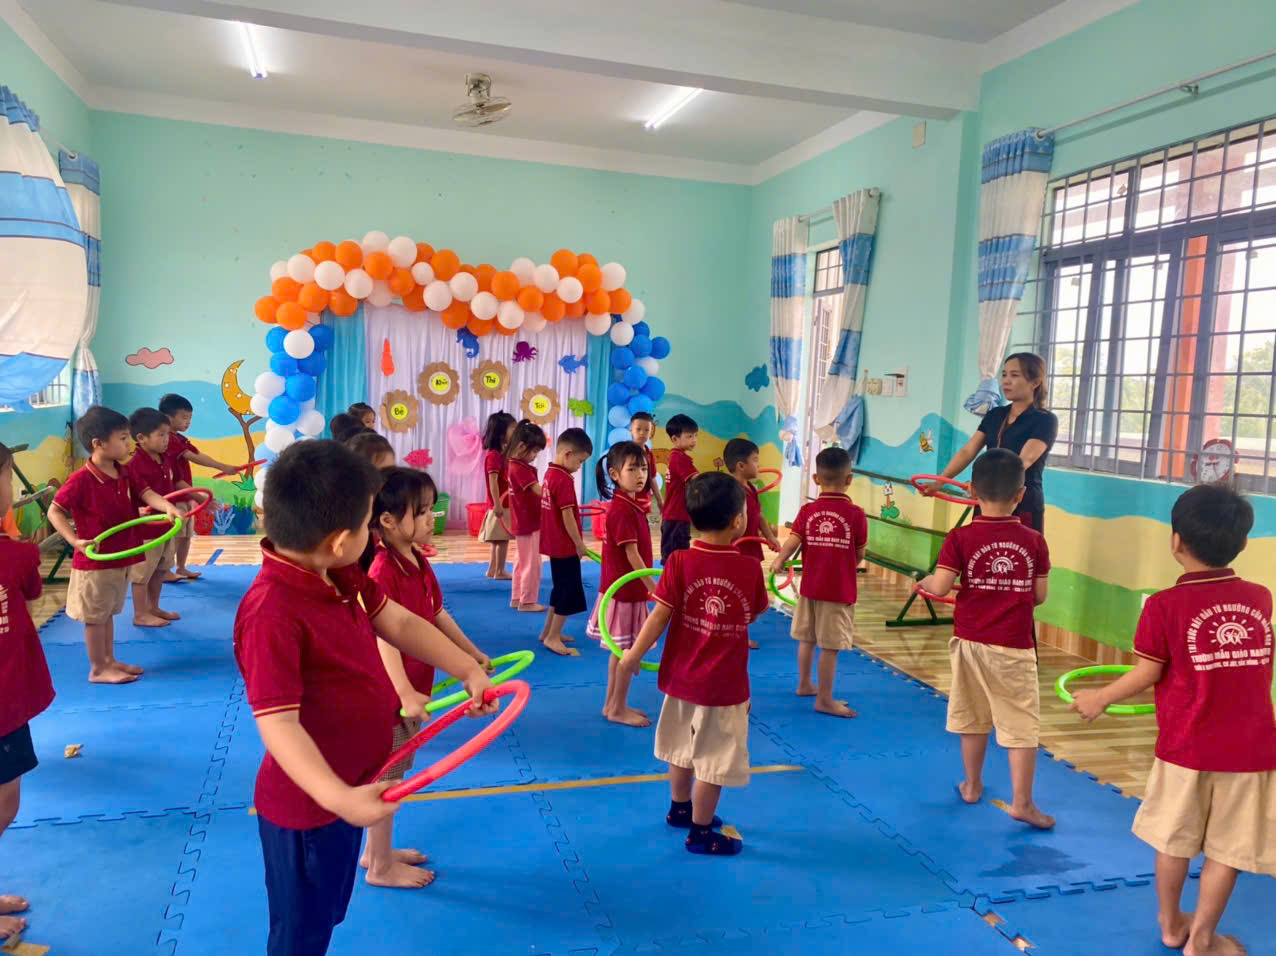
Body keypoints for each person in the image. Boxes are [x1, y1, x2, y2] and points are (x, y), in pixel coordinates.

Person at [233, 440, 495, 956]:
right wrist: (338, 797)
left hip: (353, 787)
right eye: (366, 524)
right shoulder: (271, 613)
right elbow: (278, 724)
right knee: (302, 932)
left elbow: (399, 622)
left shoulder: (339, 573)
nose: (372, 533)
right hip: (310, 809)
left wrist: (466, 667)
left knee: (328, 913)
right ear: (339, 540)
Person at [1069, 485, 1274, 956]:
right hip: (1251, 748)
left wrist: (1100, 698)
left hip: (1186, 747)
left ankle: (1170, 923)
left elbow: (1147, 672)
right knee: (1227, 849)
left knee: (1175, 840)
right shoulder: (1260, 598)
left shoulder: (1163, 606)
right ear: (1243, 543)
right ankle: (1201, 938)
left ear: (1175, 541)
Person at [622, 473, 768, 857]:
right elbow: (753, 613)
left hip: (680, 679)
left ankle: (680, 809)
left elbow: (659, 616)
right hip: (723, 687)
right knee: (713, 761)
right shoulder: (749, 568)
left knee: (681, 748)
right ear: (738, 520)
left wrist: (634, 654)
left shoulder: (678, 561)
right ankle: (701, 833)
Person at [364, 467, 492, 890]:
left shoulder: (417, 560)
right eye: (420, 512)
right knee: (388, 780)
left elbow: (436, 613)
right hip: (390, 697)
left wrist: (470, 655)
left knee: (393, 776)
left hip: (414, 689)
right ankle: (379, 865)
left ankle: (376, 851)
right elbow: (384, 636)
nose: (430, 518)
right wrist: (403, 692)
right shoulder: (382, 571)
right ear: (387, 521)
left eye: (430, 509)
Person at [917, 449, 1053, 829]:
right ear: (1021, 494)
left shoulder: (960, 537)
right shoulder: (1034, 540)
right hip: (1014, 646)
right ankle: (1022, 802)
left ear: (972, 491)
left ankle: (972, 785)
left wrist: (924, 582)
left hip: (969, 642)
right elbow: (1039, 596)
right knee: (1020, 725)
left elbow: (940, 586)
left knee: (972, 717)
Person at [48, 406, 183, 685]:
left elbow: (146, 493)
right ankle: (98, 668)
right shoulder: (82, 479)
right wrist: (74, 540)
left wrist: (167, 506)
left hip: (120, 557)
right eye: (122, 438)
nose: (128, 444)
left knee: (108, 614)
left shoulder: (123, 472)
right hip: (95, 562)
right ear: (99, 443)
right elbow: (55, 510)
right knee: (96, 618)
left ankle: (108, 660)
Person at [0, 442, 55, 943]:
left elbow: (32, 591)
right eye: (7, 478)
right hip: (3, 705)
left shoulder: (15, 553)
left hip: (7, 702)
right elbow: (33, 594)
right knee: (3, 806)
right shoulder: (17, 554)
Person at [769, 446, 867, 718]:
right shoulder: (856, 514)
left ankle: (804, 684)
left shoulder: (808, 510)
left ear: (815, 479)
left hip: (810, 587)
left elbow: (793, 541)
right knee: (830, 646)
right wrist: (845, 565)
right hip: (838, 590)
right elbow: (859, 554)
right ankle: (824, 699)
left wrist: (779, 560)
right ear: (849, 479)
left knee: (807, 638)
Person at [922, 354, 1057, 533]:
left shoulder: (1045, 420)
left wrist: (983, 483)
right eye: (1004, 374)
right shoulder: (995, 415)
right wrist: (940, 481)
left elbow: (1023, 461)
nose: (1006, 381)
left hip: (1023, 504)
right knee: (982, 547)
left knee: (1017, 550)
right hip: (986, 503)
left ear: (1035, 382)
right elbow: (968, 451)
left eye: (1015, 375)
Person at [587, 442, 656, 728]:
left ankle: (613, 705)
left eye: (643, 468)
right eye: (632, 469)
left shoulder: (630, 504)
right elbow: (632, 555)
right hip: (625, 593)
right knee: (627, 654)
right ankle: (616, 708)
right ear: (615, 474)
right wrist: (654, 587)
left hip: (628, 592)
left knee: (621, 653)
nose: (640, 474)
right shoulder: (622, 510)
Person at [158, 393, 239, 581]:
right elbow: (191, 461)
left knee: (186, 535)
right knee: (173, 535)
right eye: (184, 417)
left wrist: (223, 467)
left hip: (185, 495)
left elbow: (198, 455)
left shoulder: (180, 439)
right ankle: (165, 570)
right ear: (169, 417)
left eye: (190, 418)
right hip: (174, 498)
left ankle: (181, 567)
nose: (188, 422)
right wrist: (222, 467)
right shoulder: (170, 441)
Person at [538, 428, 593, 658]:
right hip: (564, 546)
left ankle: (548, 632)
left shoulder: (550, 473)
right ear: (568, 454)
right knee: (569, 591)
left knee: (560, 588)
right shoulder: (563, 480)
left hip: (554, 544)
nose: (579, 467)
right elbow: (568, 516)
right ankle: (552, 637)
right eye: (580, 461)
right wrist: (579, 544)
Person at [126, 408, 182, 628]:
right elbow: (146, 495)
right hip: (146, 531)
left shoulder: (164, 458)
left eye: (167, 434)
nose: (166, 439)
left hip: (166, 526)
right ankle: (140, 614)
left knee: (160, 570)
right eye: (161, 435)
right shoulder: (134, 465)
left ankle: (153, 607)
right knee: (142, 574)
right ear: (141, 438)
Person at [724, 438, 781, 648]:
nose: (758, 465)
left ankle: (740, 628)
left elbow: (760, 515)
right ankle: (737, 634)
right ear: (741, 465)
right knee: (737, 593)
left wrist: (770, 537)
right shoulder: (730, 490)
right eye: (755, 460)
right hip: (736, 551)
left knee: (749, 593)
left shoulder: (751, 487)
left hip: (751, 550)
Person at [506, 421, 547, 613]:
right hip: (529, 523)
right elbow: (538, 490)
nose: (535, 456)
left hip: (522, 521)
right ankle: (528, 601)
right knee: (532, 563)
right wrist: (556, 495)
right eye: (535, 452)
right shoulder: (520, 468)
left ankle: (517, 597)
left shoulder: (514, 465)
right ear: (522, 446)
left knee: (522, 561)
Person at [478, 411, 517, 580]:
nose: (515, 432)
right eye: (513, 428)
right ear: (501, 433)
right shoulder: (494, 456)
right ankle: (500, 571)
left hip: (501, 504)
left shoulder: (501, 454)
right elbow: (492, 482)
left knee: (497, 540)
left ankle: (493, 569)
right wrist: (498, 504)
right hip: (501, 504)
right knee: (502, 539)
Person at [660, 414, 699, 562]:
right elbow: (697, 480)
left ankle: (672, 574)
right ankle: (672, 576)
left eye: (695, 435)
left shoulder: (676, 456)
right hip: (677, 516)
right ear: (675, 439)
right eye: (689, 436)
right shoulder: (680, 458)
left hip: (674, 515)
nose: (694, 440)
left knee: (674, 554)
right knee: (676, 556)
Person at [628, 412, 663, 515]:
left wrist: (660, 500)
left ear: (651, 432)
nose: (642, 433)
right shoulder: (625, 452)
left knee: (643, 523)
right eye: (638, 429)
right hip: (628, 501)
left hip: (644, 500)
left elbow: (652, 478)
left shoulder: (649, 453)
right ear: (631, 430)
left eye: (646, 430)